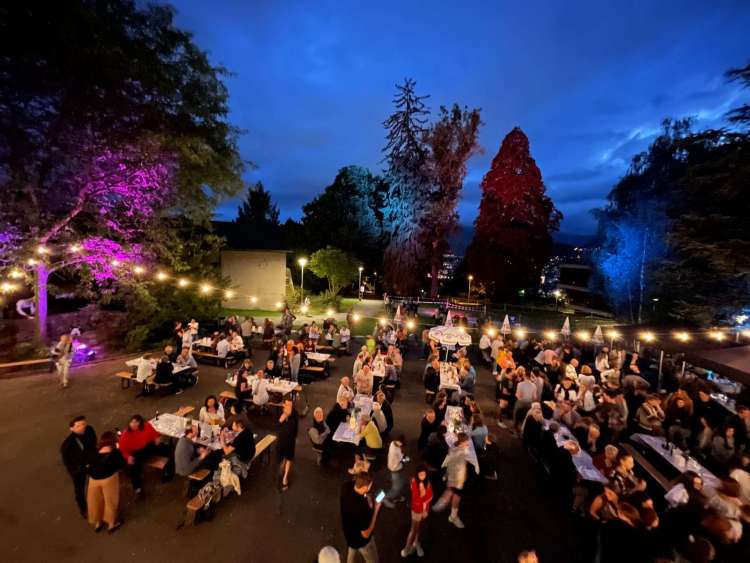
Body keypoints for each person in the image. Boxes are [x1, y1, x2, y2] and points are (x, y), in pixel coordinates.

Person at [119, 415, 172, 495]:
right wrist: (128, 457)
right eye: (132, 422)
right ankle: (138, 488)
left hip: (147, 447)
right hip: (135, 452)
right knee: (135, 467)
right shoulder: (125, 434)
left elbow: (155, 434)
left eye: (136, 422)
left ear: (140, 423)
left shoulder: (146, 426)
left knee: (166, 449)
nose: (133, 424)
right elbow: (122, 449)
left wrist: (157, 438)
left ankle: (170, 467)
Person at [86, 431, 125, 533]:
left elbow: (87, 466)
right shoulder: (115, 453)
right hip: (109, 479)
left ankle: (98, 523)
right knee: (110, 501)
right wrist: (118, 449)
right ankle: (111, 524)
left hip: (93, 480)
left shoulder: (94, 452)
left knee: (95, 500)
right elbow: (121, 465)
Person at [340, 472, 383, 563]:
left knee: (352, 550)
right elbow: (366, 534)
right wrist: (376, 509)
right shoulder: (362, 509)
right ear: (364, 487)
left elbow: (360, 494)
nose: (370, 488)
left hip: (349, 534)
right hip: (362, 542)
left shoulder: (346, 487)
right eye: (369, 486)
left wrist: (366, 497)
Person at [60, 415, 97, 517]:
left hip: (91, 461)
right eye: (78, 426)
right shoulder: (67, 445)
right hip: (79, 469)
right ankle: (83, 508)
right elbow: (67, 463)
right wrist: (77, 470)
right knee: (79, 489)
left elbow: (93, 443)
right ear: (71, 428)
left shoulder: (89, 430)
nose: (82, 427)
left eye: (83, 424)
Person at [431, 432, 470, 528]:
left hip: (453, 478)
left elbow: (449, 464)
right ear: (462, 442)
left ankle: (442, 506)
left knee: (450, 493)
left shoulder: (454, 449)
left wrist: (447, 475)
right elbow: (459, 468)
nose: (468, 444)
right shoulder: (460, 453)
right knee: (456, 497)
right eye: (466, 442)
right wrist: (460, 482)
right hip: (457, 480)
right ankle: (452, 516)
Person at [401, 465, 433, 558]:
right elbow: (416, 500)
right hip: (416, 511)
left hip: (423, 511)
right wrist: (423, 495)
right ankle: (407, 548)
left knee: (418, 529)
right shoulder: (414, 483)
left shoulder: (427, 483)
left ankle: (415, 543)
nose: (422, 476)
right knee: (413, 530)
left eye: (424, 474)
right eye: (420, 474)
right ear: (417, 475)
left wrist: (425, 509)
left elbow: (431, 496)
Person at [277, 398, 298, 490]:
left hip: (290, 440)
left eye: (290, 405)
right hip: (282, 439)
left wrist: (287, 414)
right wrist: (284, 415)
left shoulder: (295, 413)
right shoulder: (283, 413)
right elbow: (278, 423)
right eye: (287, 405)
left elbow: (295, 427)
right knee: (283, 456)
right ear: (284, 405)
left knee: (289, 457)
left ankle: (285, 477)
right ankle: (283, 463)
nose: (289, 406)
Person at [383, 434, 407, 508]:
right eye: (400, 442)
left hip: (392, 466)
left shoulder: (392, 443)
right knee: (396, 487)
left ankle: (397, 496)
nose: (401, 444)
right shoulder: (396, 450)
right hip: (395, 468)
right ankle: (386, 498)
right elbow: (401, 459)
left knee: (400, 481)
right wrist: (406, 459)